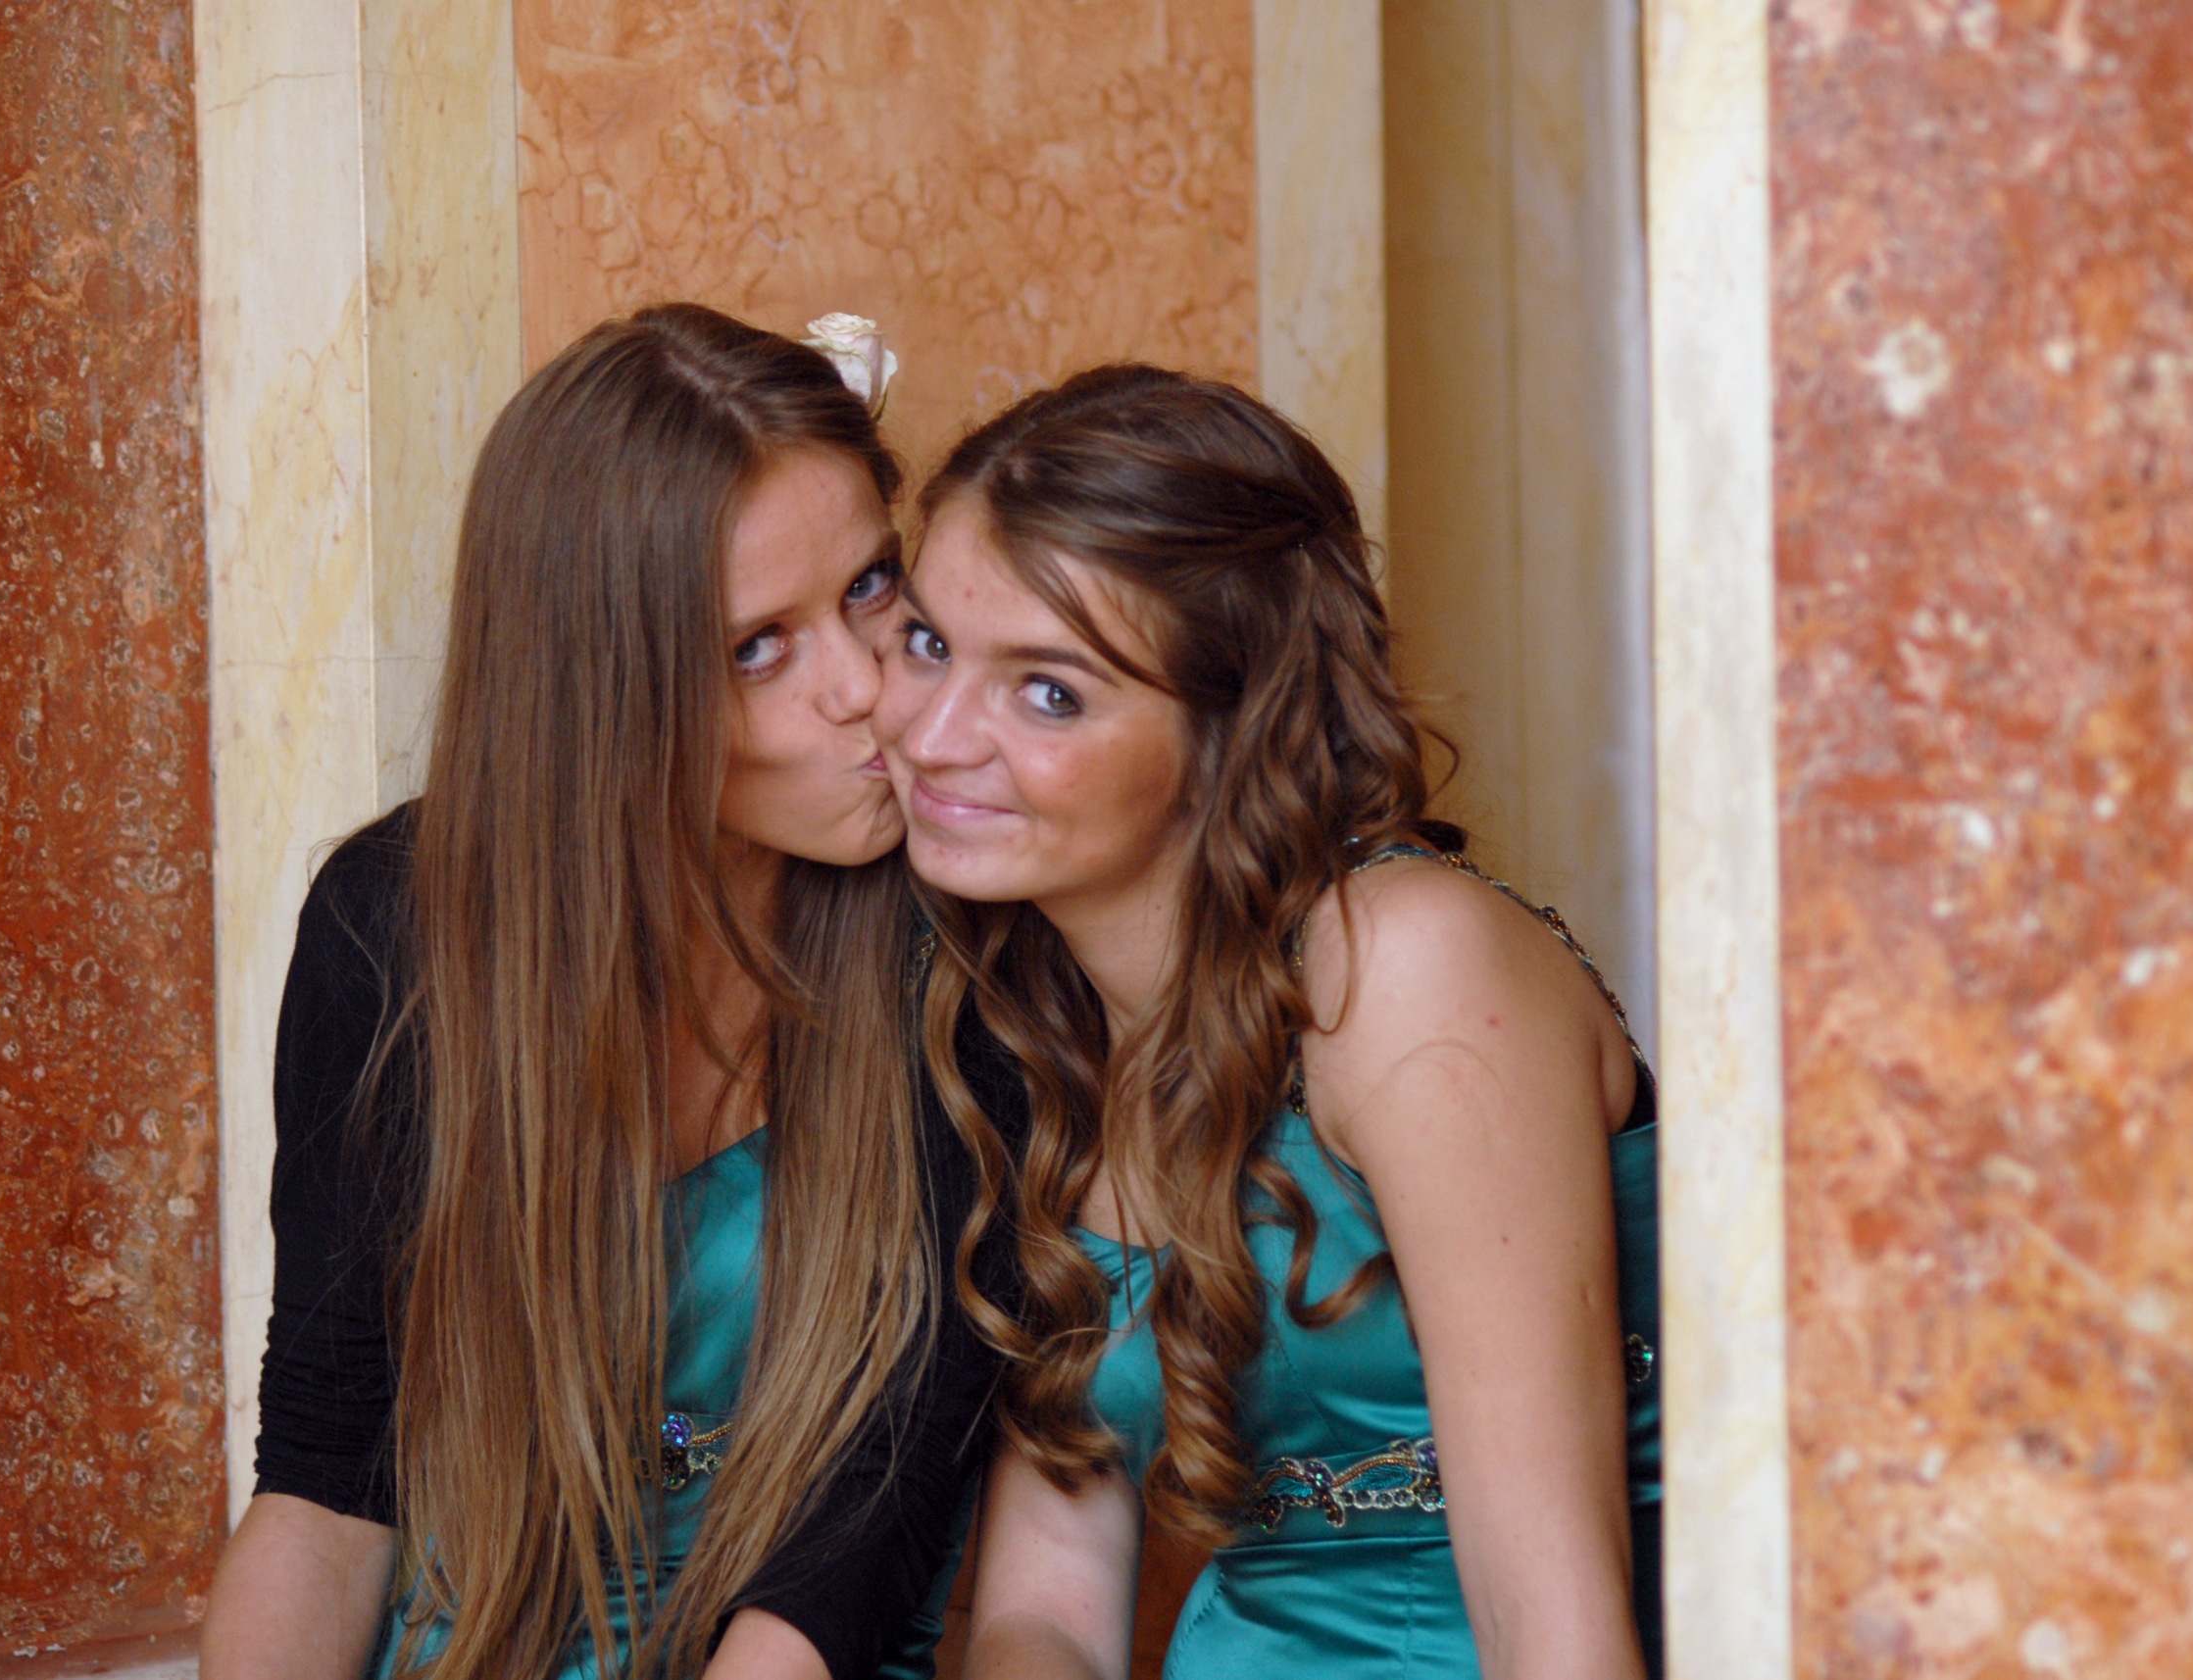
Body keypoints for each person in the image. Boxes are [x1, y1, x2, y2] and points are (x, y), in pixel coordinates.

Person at [198, 304, 1023, 1680]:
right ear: (606, 688)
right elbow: (332, 1476)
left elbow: (880, 1512)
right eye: (758, 646)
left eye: (873, 586)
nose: (867, 690)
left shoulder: (968, 940)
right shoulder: (392, 926)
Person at [875, 365, 1662, 1680]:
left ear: (1231, 733)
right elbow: (1045, 1602)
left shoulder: (1401, 967)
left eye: (1050, 691)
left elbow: (1554, 1621)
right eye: (929, 643)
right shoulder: (1027, 1009)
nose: (933, 736)